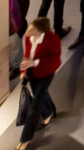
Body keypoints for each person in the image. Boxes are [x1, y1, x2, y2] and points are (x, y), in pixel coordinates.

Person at [17, 17, 61, 150]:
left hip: (45, 73)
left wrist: (34, 63)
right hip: (32, 74)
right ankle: (49, 112)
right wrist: (24, 69)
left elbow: (56, 59)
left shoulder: (52, 39)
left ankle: (26, 139)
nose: (28, 31)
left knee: (35, 106)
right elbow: (27, 54)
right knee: (40, 94)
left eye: (31, 29)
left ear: (40, 31)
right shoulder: (28, 37)